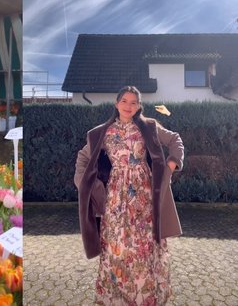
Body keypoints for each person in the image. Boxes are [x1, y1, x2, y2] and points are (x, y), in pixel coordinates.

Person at [74, 86, 184, 305]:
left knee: (144, 247)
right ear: (116, 104)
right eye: (124, 101)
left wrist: (170, 166)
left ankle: (145, 298)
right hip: (114, 198)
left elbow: (175, 141)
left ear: (139, 106)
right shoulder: (101, 132)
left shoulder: (149, 127)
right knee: (115, 247)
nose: (128, 106)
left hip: (144, 197)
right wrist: (83, 184)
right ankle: (116, 299)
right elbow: (83, 157)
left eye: (134, 102)